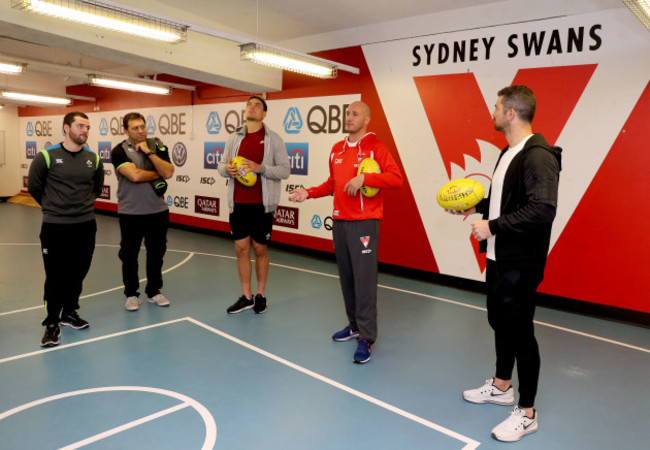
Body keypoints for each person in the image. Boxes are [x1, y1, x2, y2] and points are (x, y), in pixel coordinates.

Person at [448, 86, 561, 442]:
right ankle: (501, 386)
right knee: (499, 321)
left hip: (521, 262)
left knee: (520, 331)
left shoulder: (538, 155)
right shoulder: (507, 153)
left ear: (511, 113)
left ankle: (527, 412)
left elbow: (542, 209)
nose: (492, 112)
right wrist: (478, 210)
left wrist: (492, 226)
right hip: (499, 256)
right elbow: (507, 204)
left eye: (496, 107)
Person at [289, 101, 403, 364]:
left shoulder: (376, 147)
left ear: (366, 120)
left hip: (364, 222)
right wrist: (308, 192)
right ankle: (353, 325)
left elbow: (396, 178)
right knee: (347, 278)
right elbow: (333, 183)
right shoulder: (337, 149)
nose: (348, 117)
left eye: (354, 114)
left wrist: (367, 179)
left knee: (364, 281)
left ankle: (366, 337)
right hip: (340, 221)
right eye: (347, 113)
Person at [28, 111, 104, 347]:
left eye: (88, 127)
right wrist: (55, 208)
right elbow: (34, 187)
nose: (84, 131)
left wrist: (79, 208)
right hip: (55, 227)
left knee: (78, 272)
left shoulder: (93, 159)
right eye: (80, 126)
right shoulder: (46, 157)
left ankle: (70, 313)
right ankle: (52, 323)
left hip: (85, 225)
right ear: (66, 128)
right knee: (56, 275)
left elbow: (97, 188)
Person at [217, 95, 290, 315]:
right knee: (241, 249)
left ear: (264, 113)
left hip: (262, 205)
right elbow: (221, 165)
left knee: (259, 249)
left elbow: (285, 170)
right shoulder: (234, 138)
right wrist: (226, 170)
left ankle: (261, 294)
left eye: (257, 105)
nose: (252, 108)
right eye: (249, 105)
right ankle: (246, 296)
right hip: (238, 203)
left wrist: (261, 168)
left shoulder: (273, 139)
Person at [111, 112, 175, 311]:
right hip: (131, 213)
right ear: (126, 131)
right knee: (129, 255)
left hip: (158, 211)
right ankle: (131, 294)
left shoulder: (157, 145)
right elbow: (135, 176)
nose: (140, 131)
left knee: (156, 254)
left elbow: (169, 172)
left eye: (142, 126)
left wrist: (149, 153)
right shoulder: (119, 150)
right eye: (135, 128)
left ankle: (154, 291)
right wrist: (158, 172)